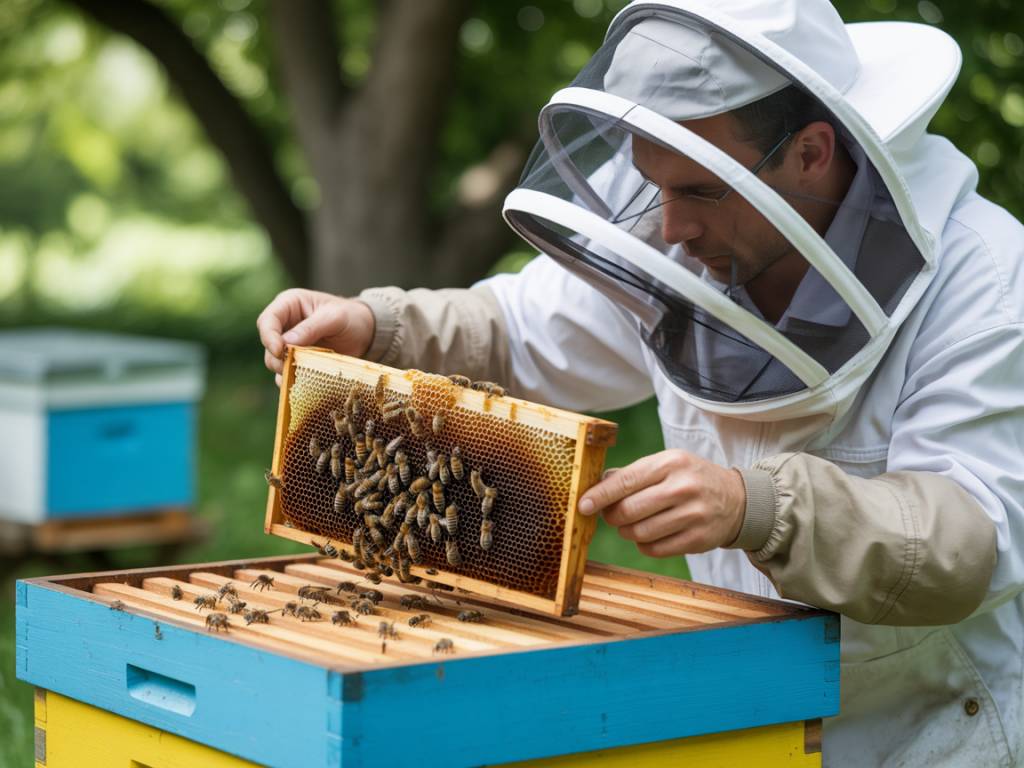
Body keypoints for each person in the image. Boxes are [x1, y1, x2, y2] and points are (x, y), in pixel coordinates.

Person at [258, 2, 1024, 764]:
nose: (670, 229)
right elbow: (525, 327)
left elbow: (969, 542)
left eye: (697, 191)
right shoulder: (693, 242)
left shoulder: (981, 279)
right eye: (655, 186)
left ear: (813, 152)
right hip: (745, 708)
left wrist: (752, 504)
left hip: (926, 731)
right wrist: (376, 325)